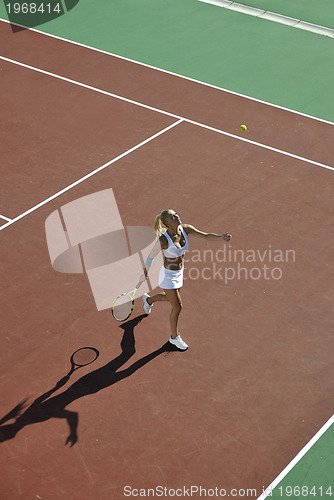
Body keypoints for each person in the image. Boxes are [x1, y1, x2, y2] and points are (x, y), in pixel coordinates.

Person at [140, 209, 232, 350]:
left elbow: (206, 236)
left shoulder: (185, 229)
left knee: (169, 298)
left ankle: (148, 300)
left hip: (179, 272)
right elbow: (150, 256)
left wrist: (220, 237)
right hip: (168, 276)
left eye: (175, 213)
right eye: (173, 216)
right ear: (167, 223)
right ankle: (174, 337)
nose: (177, 216)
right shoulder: (164, 240)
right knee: (177, 307)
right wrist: (145, 273)